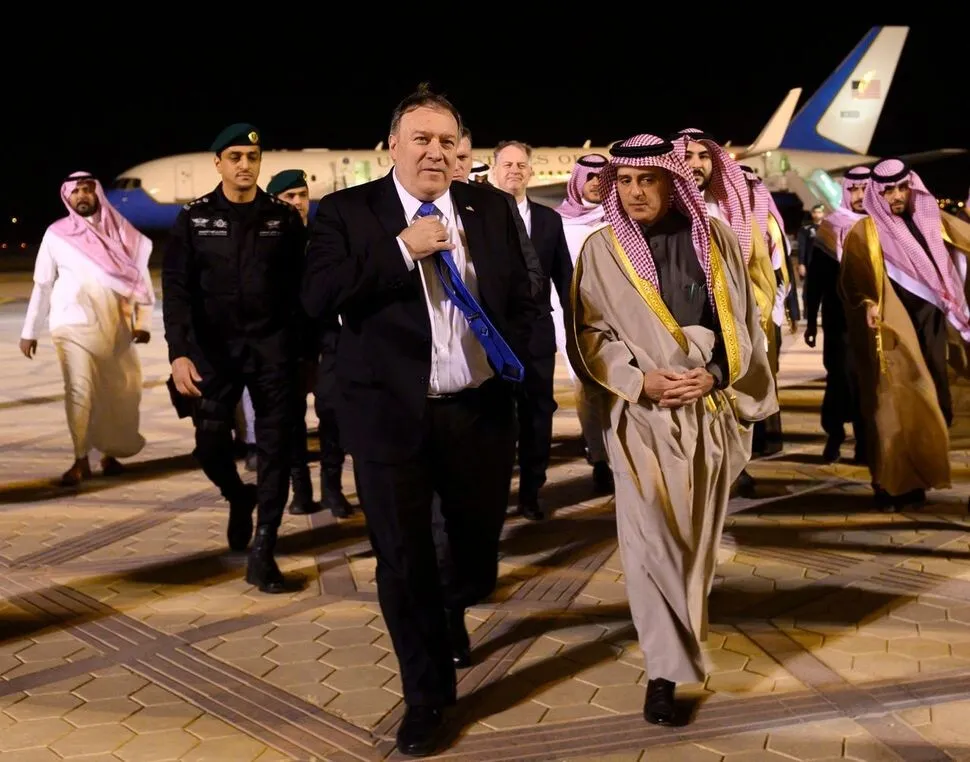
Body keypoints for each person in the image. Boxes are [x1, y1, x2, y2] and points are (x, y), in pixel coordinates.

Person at [301, 84, 539, 757]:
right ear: (394, 146)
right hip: (388, 418)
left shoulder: (489, 207)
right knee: (404, 564)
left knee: (473, 558)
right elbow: (317, 296)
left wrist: (524, 374)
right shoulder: (348, 212)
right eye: (421, 140)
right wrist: (403, 249)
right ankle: (427, 696)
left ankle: (452, 607)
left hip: (479, 412)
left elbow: (523, 299)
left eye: (447, 142)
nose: (435, 152)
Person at [567, 133, 777, 726]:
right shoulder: (602, 250)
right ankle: (663, 674)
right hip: (641, 419)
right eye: (624, 182)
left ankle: (678, 644)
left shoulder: (716, 243)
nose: (634, 192)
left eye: (647, 180)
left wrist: (713, 375)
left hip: (706, 418)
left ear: (671, 182)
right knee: (648, 544)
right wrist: (639, 382)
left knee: (693, 548)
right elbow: (589, 334)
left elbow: (742, 325)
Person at [162, 123, 309, 591]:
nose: (245, 165)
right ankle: (237, 496)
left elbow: (300, 292)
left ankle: (263, 550)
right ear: (218, 163)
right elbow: (177, 291)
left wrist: (306, 356)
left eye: (252, 156)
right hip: (213, 354)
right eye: (235, 157)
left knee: (275, 451)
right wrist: (179, 353)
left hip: (272, 354)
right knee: (209, 445)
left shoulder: (281, 220)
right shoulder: (195, 218)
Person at [839, 158, 970, 509]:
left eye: (902, 188)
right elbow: (854, 280)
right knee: (893, 405)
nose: (896, 196)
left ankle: (920, 479)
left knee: (934, 403)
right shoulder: (864, 232)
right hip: (894, 330)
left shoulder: (935, 223)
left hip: (934, 326)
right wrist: (867, 301)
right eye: (888, 191)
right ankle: (892, 484)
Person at [20, 172, 154, 486]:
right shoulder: (57, 234)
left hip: (113, 326)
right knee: (79, 390)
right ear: (68, 196)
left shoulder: (120, 230)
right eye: (76, 191)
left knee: (118, 392)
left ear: (97, 194)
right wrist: (30, 331)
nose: (82, 195)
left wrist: (143, 323)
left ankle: (109, 453)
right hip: (69, 324)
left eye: (87, 189)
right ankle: (80, 459)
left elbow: (140, 278)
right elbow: (42, 284)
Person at [493, 140, 574, 518]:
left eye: (521, 164)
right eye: (507, 164)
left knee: (538, 416)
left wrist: (576, 329)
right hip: (493, 339)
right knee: (494, 420)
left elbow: (564, 278)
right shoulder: (478, 217)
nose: (514, 170)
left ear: (531, 171)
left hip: (537, 337)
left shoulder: (548, 220)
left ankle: (530, 492)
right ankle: (492, 494)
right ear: (494, 170)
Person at [267, 168, 352, 518]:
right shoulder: (265, 241)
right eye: (290, 197)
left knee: (332, 412)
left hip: (328, 338)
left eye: (303, 195)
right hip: (286, 343)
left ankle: (332, 489)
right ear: (276, 201)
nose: (299, 203)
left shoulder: (324, 237)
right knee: (290, 419)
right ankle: (300, 490)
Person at [553, 154, 613, 493]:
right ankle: (599, 455)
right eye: (589, 177)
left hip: (619, 320)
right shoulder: (559, 224)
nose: (595, 183)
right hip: (574, 319)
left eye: (601, 177)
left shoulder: (620, 221)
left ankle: (619, 451)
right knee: (588, 390)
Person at [804, 166, 870, 462]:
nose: (859, 195)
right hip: (838, 321)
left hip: (873, 322)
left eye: (865, 189)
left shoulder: (883, 226)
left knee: (868, 381)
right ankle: (834, 435)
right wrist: (810, 321)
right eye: (853, 189)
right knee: (840, 377)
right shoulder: (830, 227)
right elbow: (816, 281)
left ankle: (865, 441)